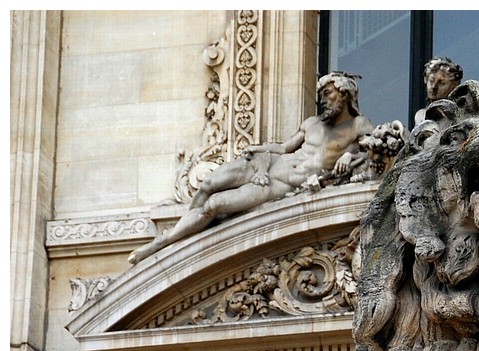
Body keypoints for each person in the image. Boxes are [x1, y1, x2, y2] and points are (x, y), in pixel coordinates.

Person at [128, 71, 374, 264]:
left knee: (215, 205)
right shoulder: (311, 123)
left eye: (328, 93)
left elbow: (380, 151)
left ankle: (164, 243)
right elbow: (284, 148)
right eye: (321, 93)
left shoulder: (358, 125)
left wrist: (351, 158)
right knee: (208, 184)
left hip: (281, 185)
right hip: (267, 164)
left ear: (344, 94)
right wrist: (257, 152)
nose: (323, 99)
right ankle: (177, 232)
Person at [413, 57, 463, 127]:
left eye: (441, 83)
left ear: (453, 86)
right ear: (426, 80)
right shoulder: (421, 115)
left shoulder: (458, 116)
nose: (434, 87)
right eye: (431, 80)